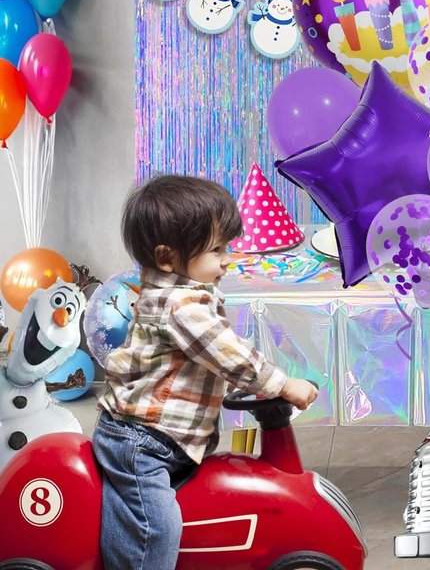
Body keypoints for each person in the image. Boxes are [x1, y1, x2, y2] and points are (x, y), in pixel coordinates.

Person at [93, 174, 317, 570]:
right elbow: (230, 355)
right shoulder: (180, 307)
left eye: (226, 246)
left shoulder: (185, 295)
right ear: (167, 258)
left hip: (164, 438)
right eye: (217, 249)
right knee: (156, 529)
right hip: (142, 445)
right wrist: (282, 384)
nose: (227, 258)